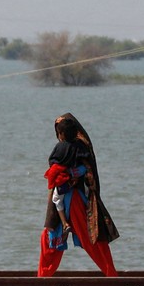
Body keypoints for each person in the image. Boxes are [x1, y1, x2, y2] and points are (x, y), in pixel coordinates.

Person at [37, 112, 119, 277]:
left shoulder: (60, 148)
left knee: (50, 236)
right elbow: (87, 169)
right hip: (77, 197)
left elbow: (53, 168)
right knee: (92, 236)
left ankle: (43, 276)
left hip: (66, 197)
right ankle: (111, 274)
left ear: (61, 134)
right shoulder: (83, 147)